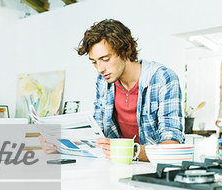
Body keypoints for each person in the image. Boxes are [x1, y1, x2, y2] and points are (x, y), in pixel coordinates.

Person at [78, 19, 184, 161]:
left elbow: (172, 146)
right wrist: (61, 144)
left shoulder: (163, 78)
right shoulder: (103, 82)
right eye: (94, 62)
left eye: (105, 59)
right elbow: (98, 133)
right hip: (117, 166)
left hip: (153, 171)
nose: (100, 69)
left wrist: (129, 151)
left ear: (126, 49)